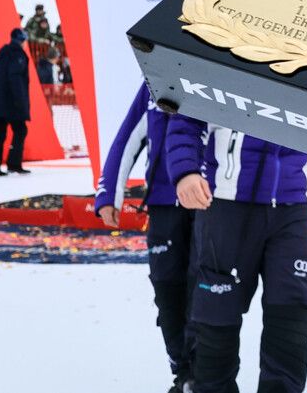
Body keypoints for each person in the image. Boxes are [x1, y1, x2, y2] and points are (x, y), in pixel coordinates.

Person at [167, 117, 307, 393]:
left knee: (292, 313)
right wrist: (186, 170)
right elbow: (186, 118)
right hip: (226, 202)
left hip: (295, 207)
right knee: (216, 315)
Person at [95, 82, 195, 393]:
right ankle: (184, 375)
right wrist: (109, 194)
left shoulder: (215, 72)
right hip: (163, 206)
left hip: (211, 205)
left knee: (205, 293)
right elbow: (127, 137)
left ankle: (205, 375)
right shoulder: (153, 80)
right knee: (167, 293)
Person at [0, 28, 32, 177]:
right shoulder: (18, 55)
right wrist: (21, 103)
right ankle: (14, 163)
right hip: (10, 103)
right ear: (22, 41)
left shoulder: (3, 52)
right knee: (20, 130)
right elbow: (15, 78)